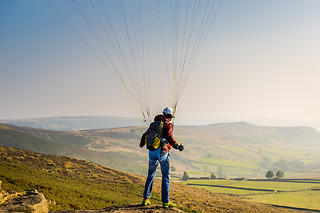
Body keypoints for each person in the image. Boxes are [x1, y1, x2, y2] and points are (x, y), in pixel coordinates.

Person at [139, 107, 184, 208]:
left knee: (150, 174)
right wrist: (177, 146)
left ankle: (145, 199)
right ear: (170, 116)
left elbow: (145, 134)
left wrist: (142, 143)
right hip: (162, 152)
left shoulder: (154, 124)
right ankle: (165, 201)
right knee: (166, 176)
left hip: (152, 152)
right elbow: (169, 137)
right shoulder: (168, 124)